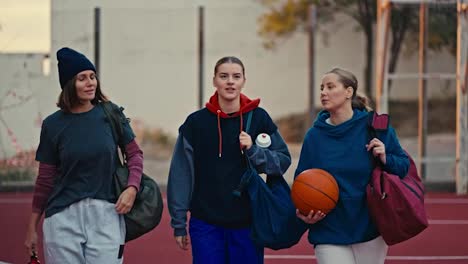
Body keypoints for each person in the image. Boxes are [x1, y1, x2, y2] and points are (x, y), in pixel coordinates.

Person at [24, 47, 143, 264]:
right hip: (62, 219)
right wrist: (32, 227)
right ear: (69, 84)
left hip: (107, 214)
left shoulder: (111, 113)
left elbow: (135, 154)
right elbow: (45, 179)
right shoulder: (52, 125)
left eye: (92, 77)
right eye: (82, 78)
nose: (90, 83)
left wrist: (132, 188)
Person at [167, 56, 291, 264]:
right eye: (224, 76)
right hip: (205, 223)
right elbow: (181, 175)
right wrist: (179, 223)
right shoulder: (195, 123)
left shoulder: (259, 118)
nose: (230, 81)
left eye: (236, 76)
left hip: (248, 222)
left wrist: (253, 150)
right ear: (214, 80)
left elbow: (282, 162)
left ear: (243, 81)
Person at [294, 68, 410, 264]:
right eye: (322, 88)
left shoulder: (375, 127)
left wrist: (385, 157)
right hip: (329, 229)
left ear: (349, 92)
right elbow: (301, 181)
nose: (323, 92)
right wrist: (304, 212)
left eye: (330, 87)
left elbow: (403, 167)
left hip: (369, 228)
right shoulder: (314, 136)